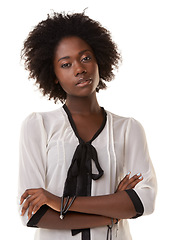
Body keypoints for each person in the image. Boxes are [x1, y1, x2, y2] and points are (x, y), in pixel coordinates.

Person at [18, 11, 157, 240]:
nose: (79, 69)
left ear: (98, 60)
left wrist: (57, 202)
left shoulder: (129, 129)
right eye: (65, 64)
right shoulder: (38, 126)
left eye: (85, 58)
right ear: (53, 75)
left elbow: (144, 201)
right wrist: (111, 214)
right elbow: (32, 214)